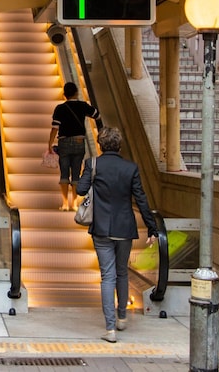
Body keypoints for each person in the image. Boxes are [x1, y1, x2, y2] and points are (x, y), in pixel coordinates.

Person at [77, 126, 158, 344]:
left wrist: (89, 176)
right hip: (125, 228)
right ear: (119, 145)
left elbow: (80, 190)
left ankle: (110, 328)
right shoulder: (130, 168)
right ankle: (122, 316)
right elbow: (141, 199)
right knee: (122, 273)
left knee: (108, 276)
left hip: (101, 228)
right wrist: (152, 228)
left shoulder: (93, 164)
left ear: (101, 145)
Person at [47, 82, 101, 211]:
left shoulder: (60, 108)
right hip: (79, 142)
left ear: (64, 94)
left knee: (64, 173)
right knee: (76, 173)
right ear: (77, 92)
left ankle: (65, 203)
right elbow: (97, 115)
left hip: (64, 143)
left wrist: (49, 144)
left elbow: (55, 128)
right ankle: (75, 204)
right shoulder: (82, 106)